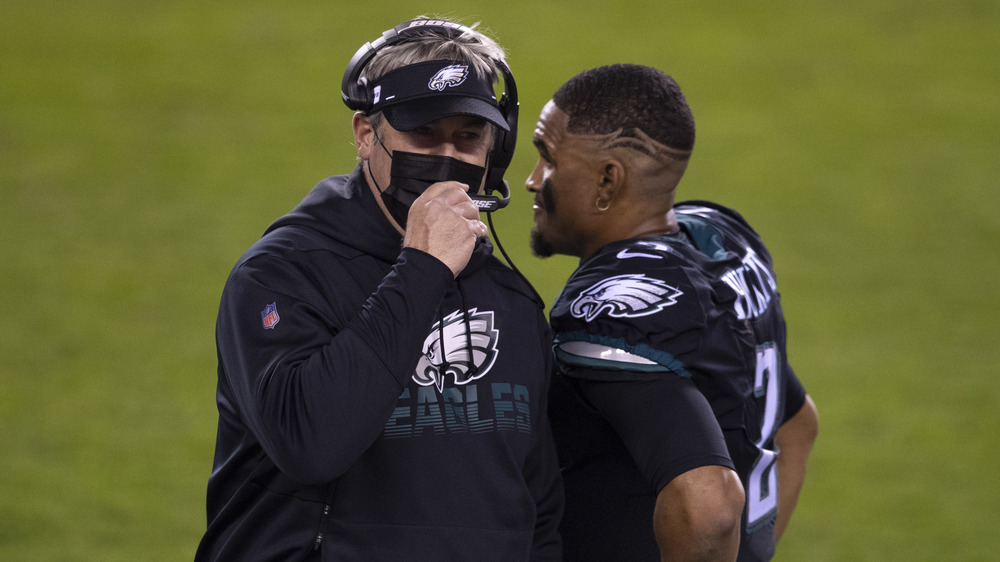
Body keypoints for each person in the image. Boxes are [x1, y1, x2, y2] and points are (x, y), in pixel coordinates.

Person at [196, 18, 563, 561]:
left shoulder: (510, 299)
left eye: (467, 138)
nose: (446, 158)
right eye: (423, 134)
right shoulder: (281, 276)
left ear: (495, 149)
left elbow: (539, 505)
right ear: (366, 134)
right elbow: (312, 443)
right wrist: (422, 268)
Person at [526, 63, 819, 561]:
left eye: (548, 160)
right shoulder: (718, 244)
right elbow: (798, 426)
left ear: (606, 181)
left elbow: (710, 507)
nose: (534, 181)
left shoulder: (609, 311)